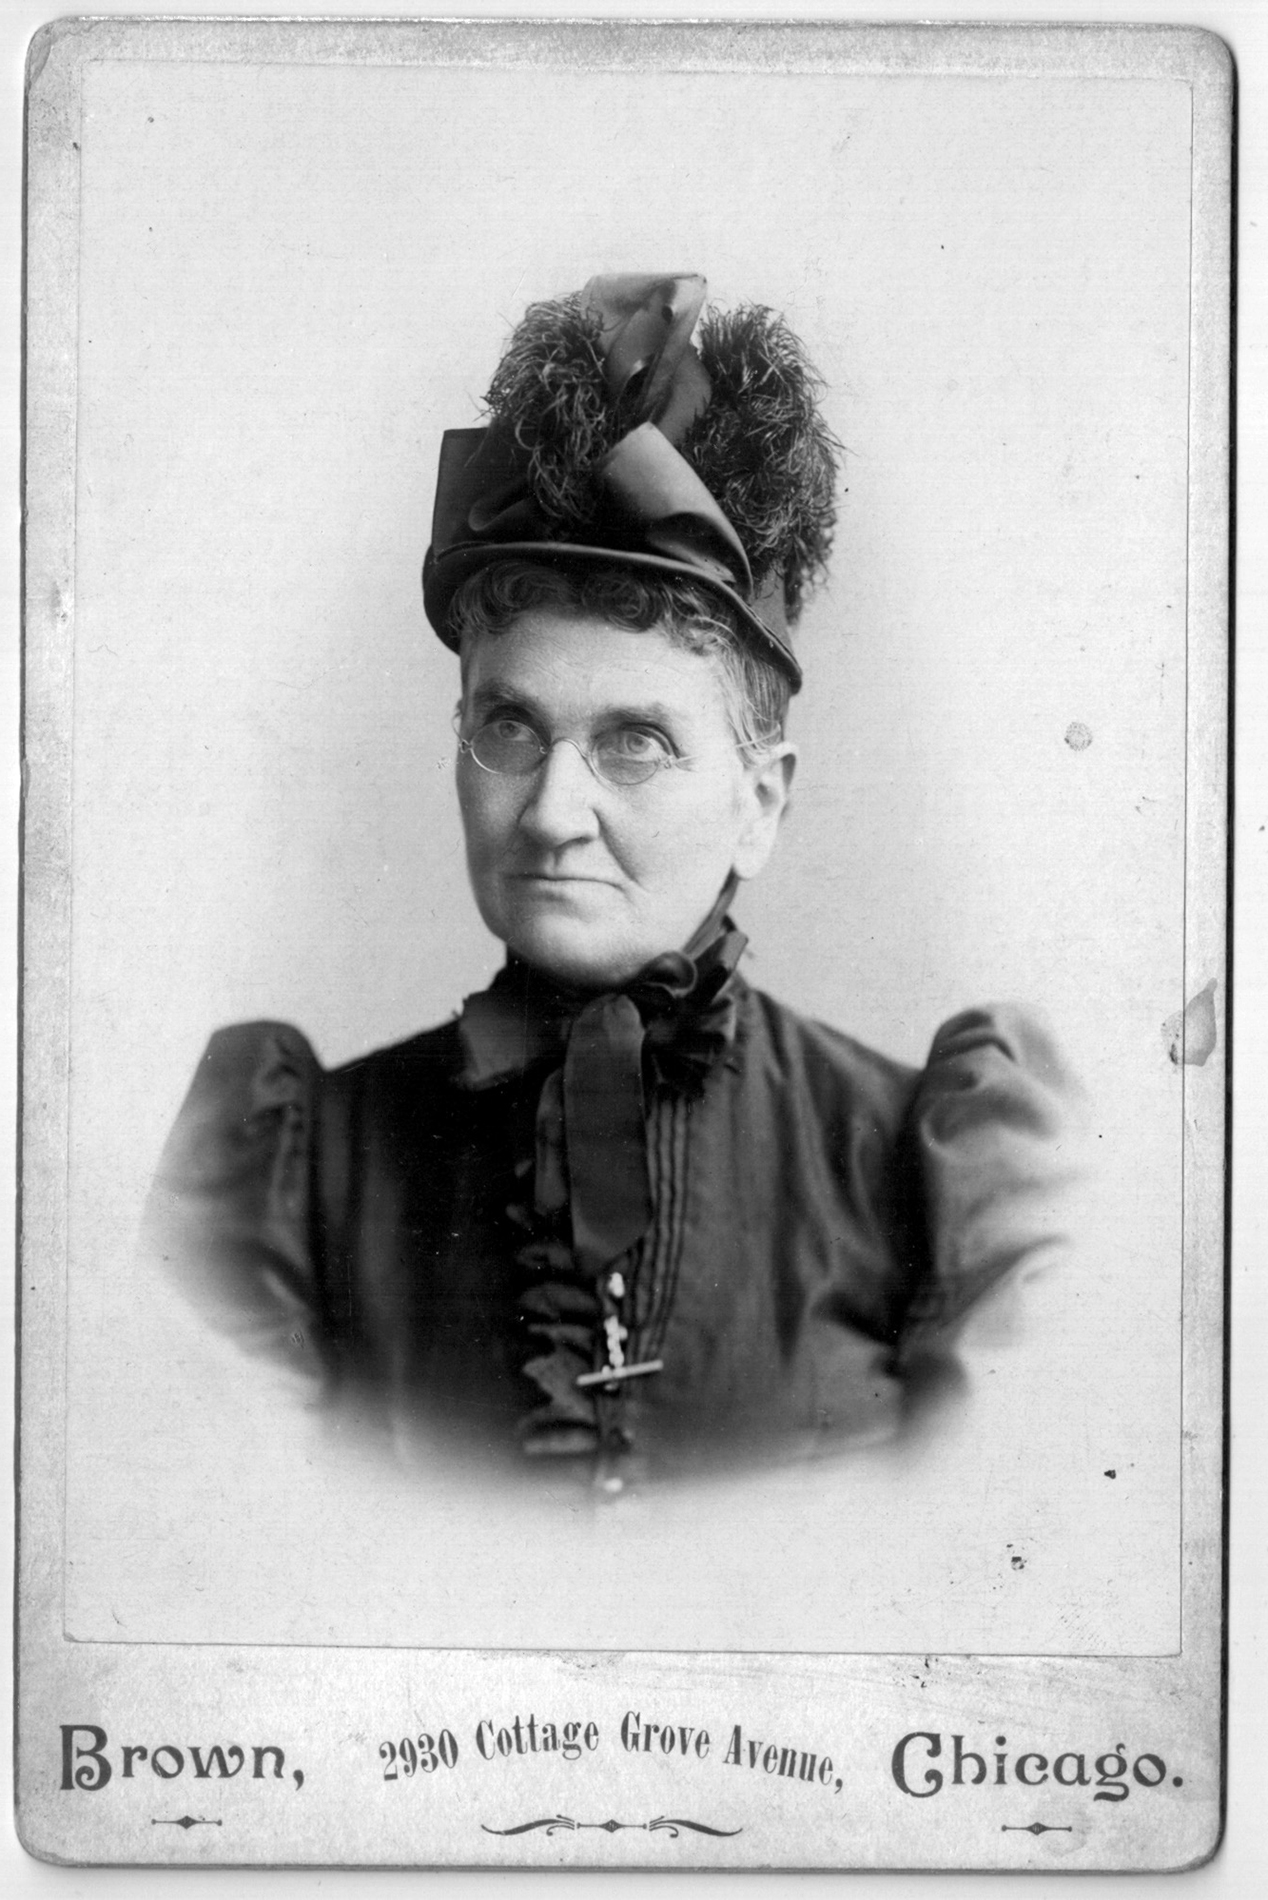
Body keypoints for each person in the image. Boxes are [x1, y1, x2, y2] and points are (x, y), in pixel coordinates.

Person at [142, 272, 1080, 1484]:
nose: (549, 812)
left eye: (634, 742)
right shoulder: (297, 1171)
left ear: (759, 802)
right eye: (508, 727)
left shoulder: (917, 1165)